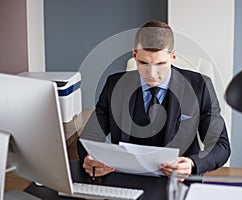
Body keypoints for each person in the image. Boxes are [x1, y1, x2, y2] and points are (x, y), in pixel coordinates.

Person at [77, 20, 230, 179]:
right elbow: (89, 138)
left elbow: (221, 145)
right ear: (134, 55)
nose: (152, 73)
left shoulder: (200, 87)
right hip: (126, 179)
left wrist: (192, 163)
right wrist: (88, 158)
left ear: (173, 57)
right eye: (144, 63)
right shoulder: (114, 85)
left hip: (177, 181)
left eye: (160, 63)